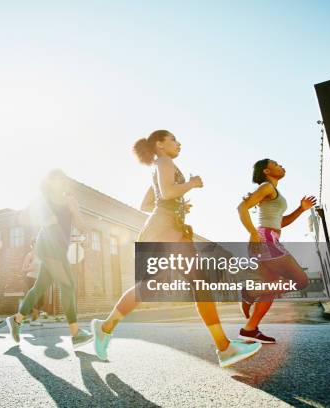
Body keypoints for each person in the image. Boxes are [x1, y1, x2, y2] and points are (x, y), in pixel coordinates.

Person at [91, 130, 262, 368]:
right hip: (167, 231)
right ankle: (224, 348)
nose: (178, 143)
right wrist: (191, 184)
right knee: (198, 282)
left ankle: (104, 327)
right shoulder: (164, 161)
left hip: (166, 229)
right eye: (173, 139)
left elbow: (149, 203)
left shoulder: (160, 166)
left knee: (152, 286)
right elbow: (168, 193)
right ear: (160, 145)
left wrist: (179, 205)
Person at [6, 170, 93, 348]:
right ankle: (76, 333)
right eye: (55, 178)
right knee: (68, 285)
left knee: (39, 287)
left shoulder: (68, 201)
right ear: (49, 182)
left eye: (62, 178)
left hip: (59, 248)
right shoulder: (42, 200)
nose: (60, 181)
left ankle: (17, 319)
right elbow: (24, 217)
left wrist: (77, 215)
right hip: (48, 246)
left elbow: (81, 225)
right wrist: (45, 219)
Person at [237, 158, 316, 343]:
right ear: (266, 170)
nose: (281, 165)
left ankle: (250, 328)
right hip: (265, 240)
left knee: (270, 288)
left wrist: (301, 209)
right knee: (301, 280)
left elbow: (280, 223)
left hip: (269, 238)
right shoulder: (267, 187)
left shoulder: (273, 191)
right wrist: (253, 234)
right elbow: (242, 207)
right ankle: (250, 292)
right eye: (276, 163)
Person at [21, 238, 45, 326]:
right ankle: (34, 320)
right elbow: (23, 269)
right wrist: (32, 268)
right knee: (35, 298)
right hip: (31, 278)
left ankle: (30, 316)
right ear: (32, 245)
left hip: (39, 279)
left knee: (41, 299)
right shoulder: (30, 255)